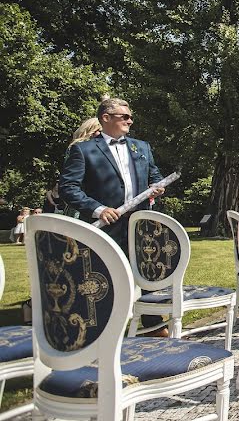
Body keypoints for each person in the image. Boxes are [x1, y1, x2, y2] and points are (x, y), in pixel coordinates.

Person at [58, 97, 168, 336]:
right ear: (105, 118)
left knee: (146, 273)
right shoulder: (83, 150)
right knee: (103, 278)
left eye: (130, 116)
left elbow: (154, 176)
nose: (130, 120)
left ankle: (154, 327)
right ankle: (100, 333)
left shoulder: (142, 147)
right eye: (124, 117)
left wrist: (157, 186)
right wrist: (98, 209)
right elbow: (68, 188)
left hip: (139, 223)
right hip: (106, 224)